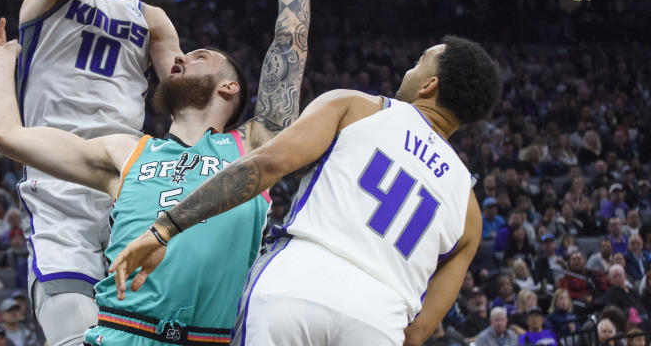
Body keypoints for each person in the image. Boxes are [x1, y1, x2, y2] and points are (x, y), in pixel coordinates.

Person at [0, 0, 318, 345]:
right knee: (74, 328)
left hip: (132, 173)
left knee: (144, 309)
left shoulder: (152, 18)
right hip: (60, 168)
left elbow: (187, 92)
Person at [111, 35, 502, 346]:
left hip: (296, 287)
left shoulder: (359, 107)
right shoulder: (469, 212)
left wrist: (164, 228)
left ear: (430, 85)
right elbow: (418, 332)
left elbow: (264, 165)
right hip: (378, 321)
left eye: (419, 63)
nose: (409, 68)